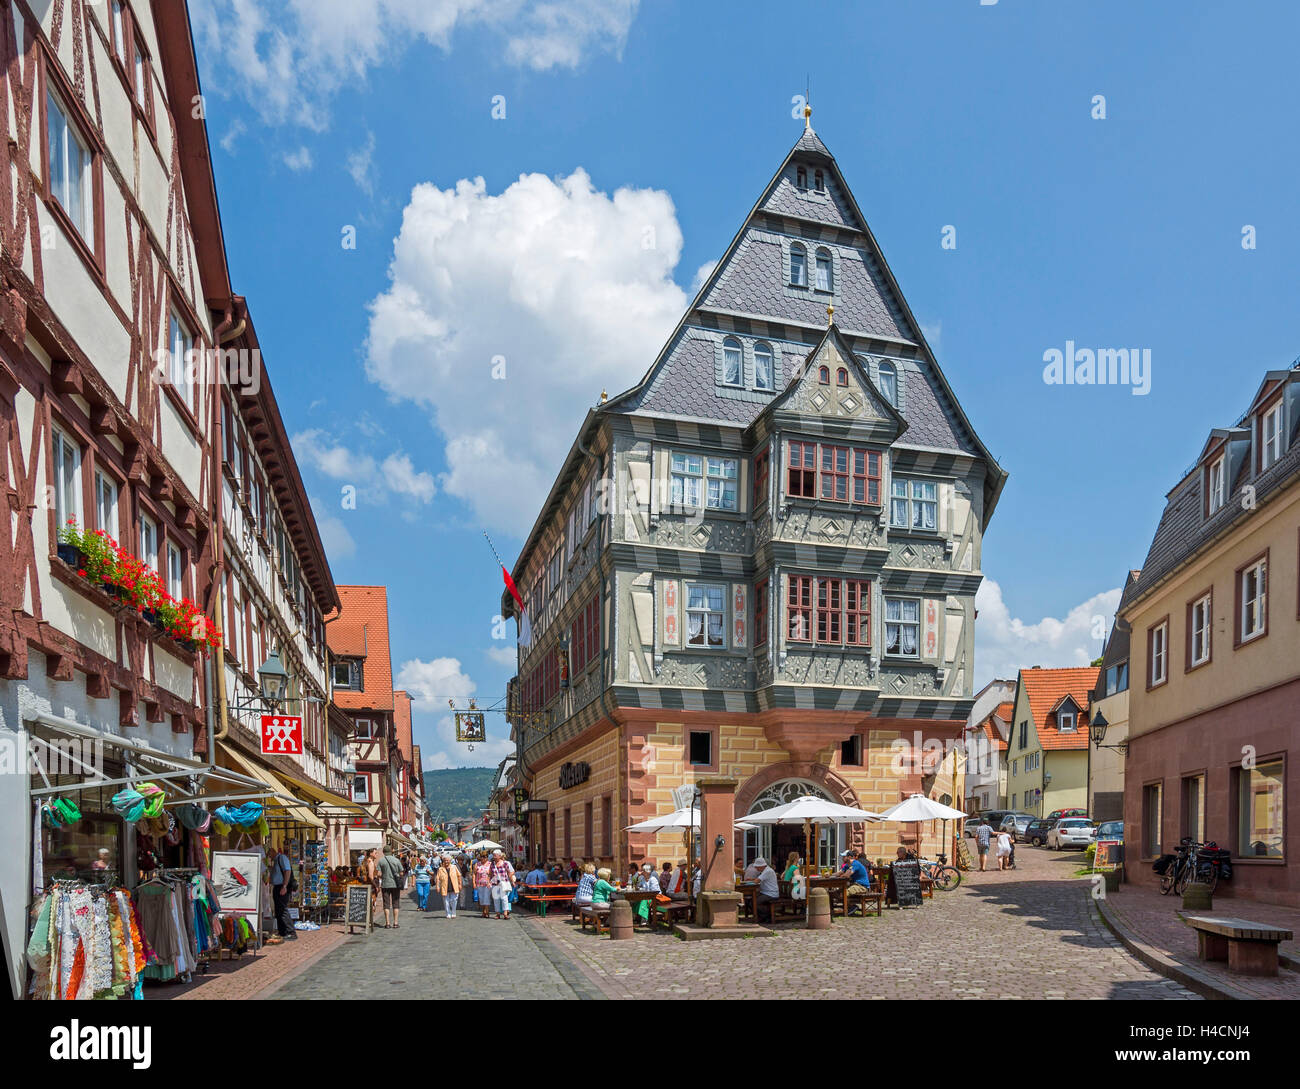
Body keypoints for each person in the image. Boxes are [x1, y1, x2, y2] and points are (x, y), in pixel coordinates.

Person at [267, 843, 296, 943]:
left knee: (283, 910)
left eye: (269, 855)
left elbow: (287, 871)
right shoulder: (275, 861)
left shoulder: (281, 858)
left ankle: (291, 932)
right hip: (277, 887)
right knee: (278, 910)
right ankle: (282, 932)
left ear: (273, 852)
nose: (269, 857)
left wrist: (284, 886)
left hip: (282, 886)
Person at [376, 847, 405, 928]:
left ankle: (387, 923)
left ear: (384, 852)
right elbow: (401, 873)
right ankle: (395, 923)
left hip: (385, 885)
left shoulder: (381, 860)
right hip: (395, 884)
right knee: (396, 903)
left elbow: (378, 874)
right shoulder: (396, 860)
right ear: (391, 851)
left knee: (386, 904)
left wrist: (384, 876)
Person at [844, 849, 875, 915]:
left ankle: (852, 907)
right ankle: (849, 907)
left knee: (845, 892)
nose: (842, 858)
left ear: (849, 857)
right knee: (838, 892)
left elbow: (848, 874)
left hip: (862, 886)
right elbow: (871, 873)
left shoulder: (856, 863)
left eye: (844, 856)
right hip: (856, 884)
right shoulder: (847, 865)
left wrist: (843, 875)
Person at [489, 849, 516, 920]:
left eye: (495, 855)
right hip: (495, 884)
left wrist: (511, 880)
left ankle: (505, 913)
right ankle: (497, 914)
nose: (494, 857)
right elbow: (490, 874)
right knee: (496, 899)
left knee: (504, 898)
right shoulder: (492, 864)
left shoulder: (505, 863)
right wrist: (489, 882)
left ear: (500, 856)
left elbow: (511, 872)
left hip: (503, 883)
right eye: (493, 855)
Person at [751, 857, 779, 923]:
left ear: (761, 866)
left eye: (757, 867)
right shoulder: (765, 871)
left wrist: (749, 881)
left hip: (771, 894)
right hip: (766, 892)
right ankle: (762, 917)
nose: (756, 868)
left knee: (755, 902)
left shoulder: (767, 871)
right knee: (752, 900)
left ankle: (767, 916)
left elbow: (757, 881)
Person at [473, 853, 493, 918]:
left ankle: (487, 912)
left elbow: (491, 874)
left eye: (484, 857)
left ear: (487, 857)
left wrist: (489, 880)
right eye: (482, 857)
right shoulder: (477, 864)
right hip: (479, 883)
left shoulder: (490, 864)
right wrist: (473, 883)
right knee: (481, 898)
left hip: (487, 884)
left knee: (486, 897)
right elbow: (474, 874)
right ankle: (483, 911)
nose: (483, 858)